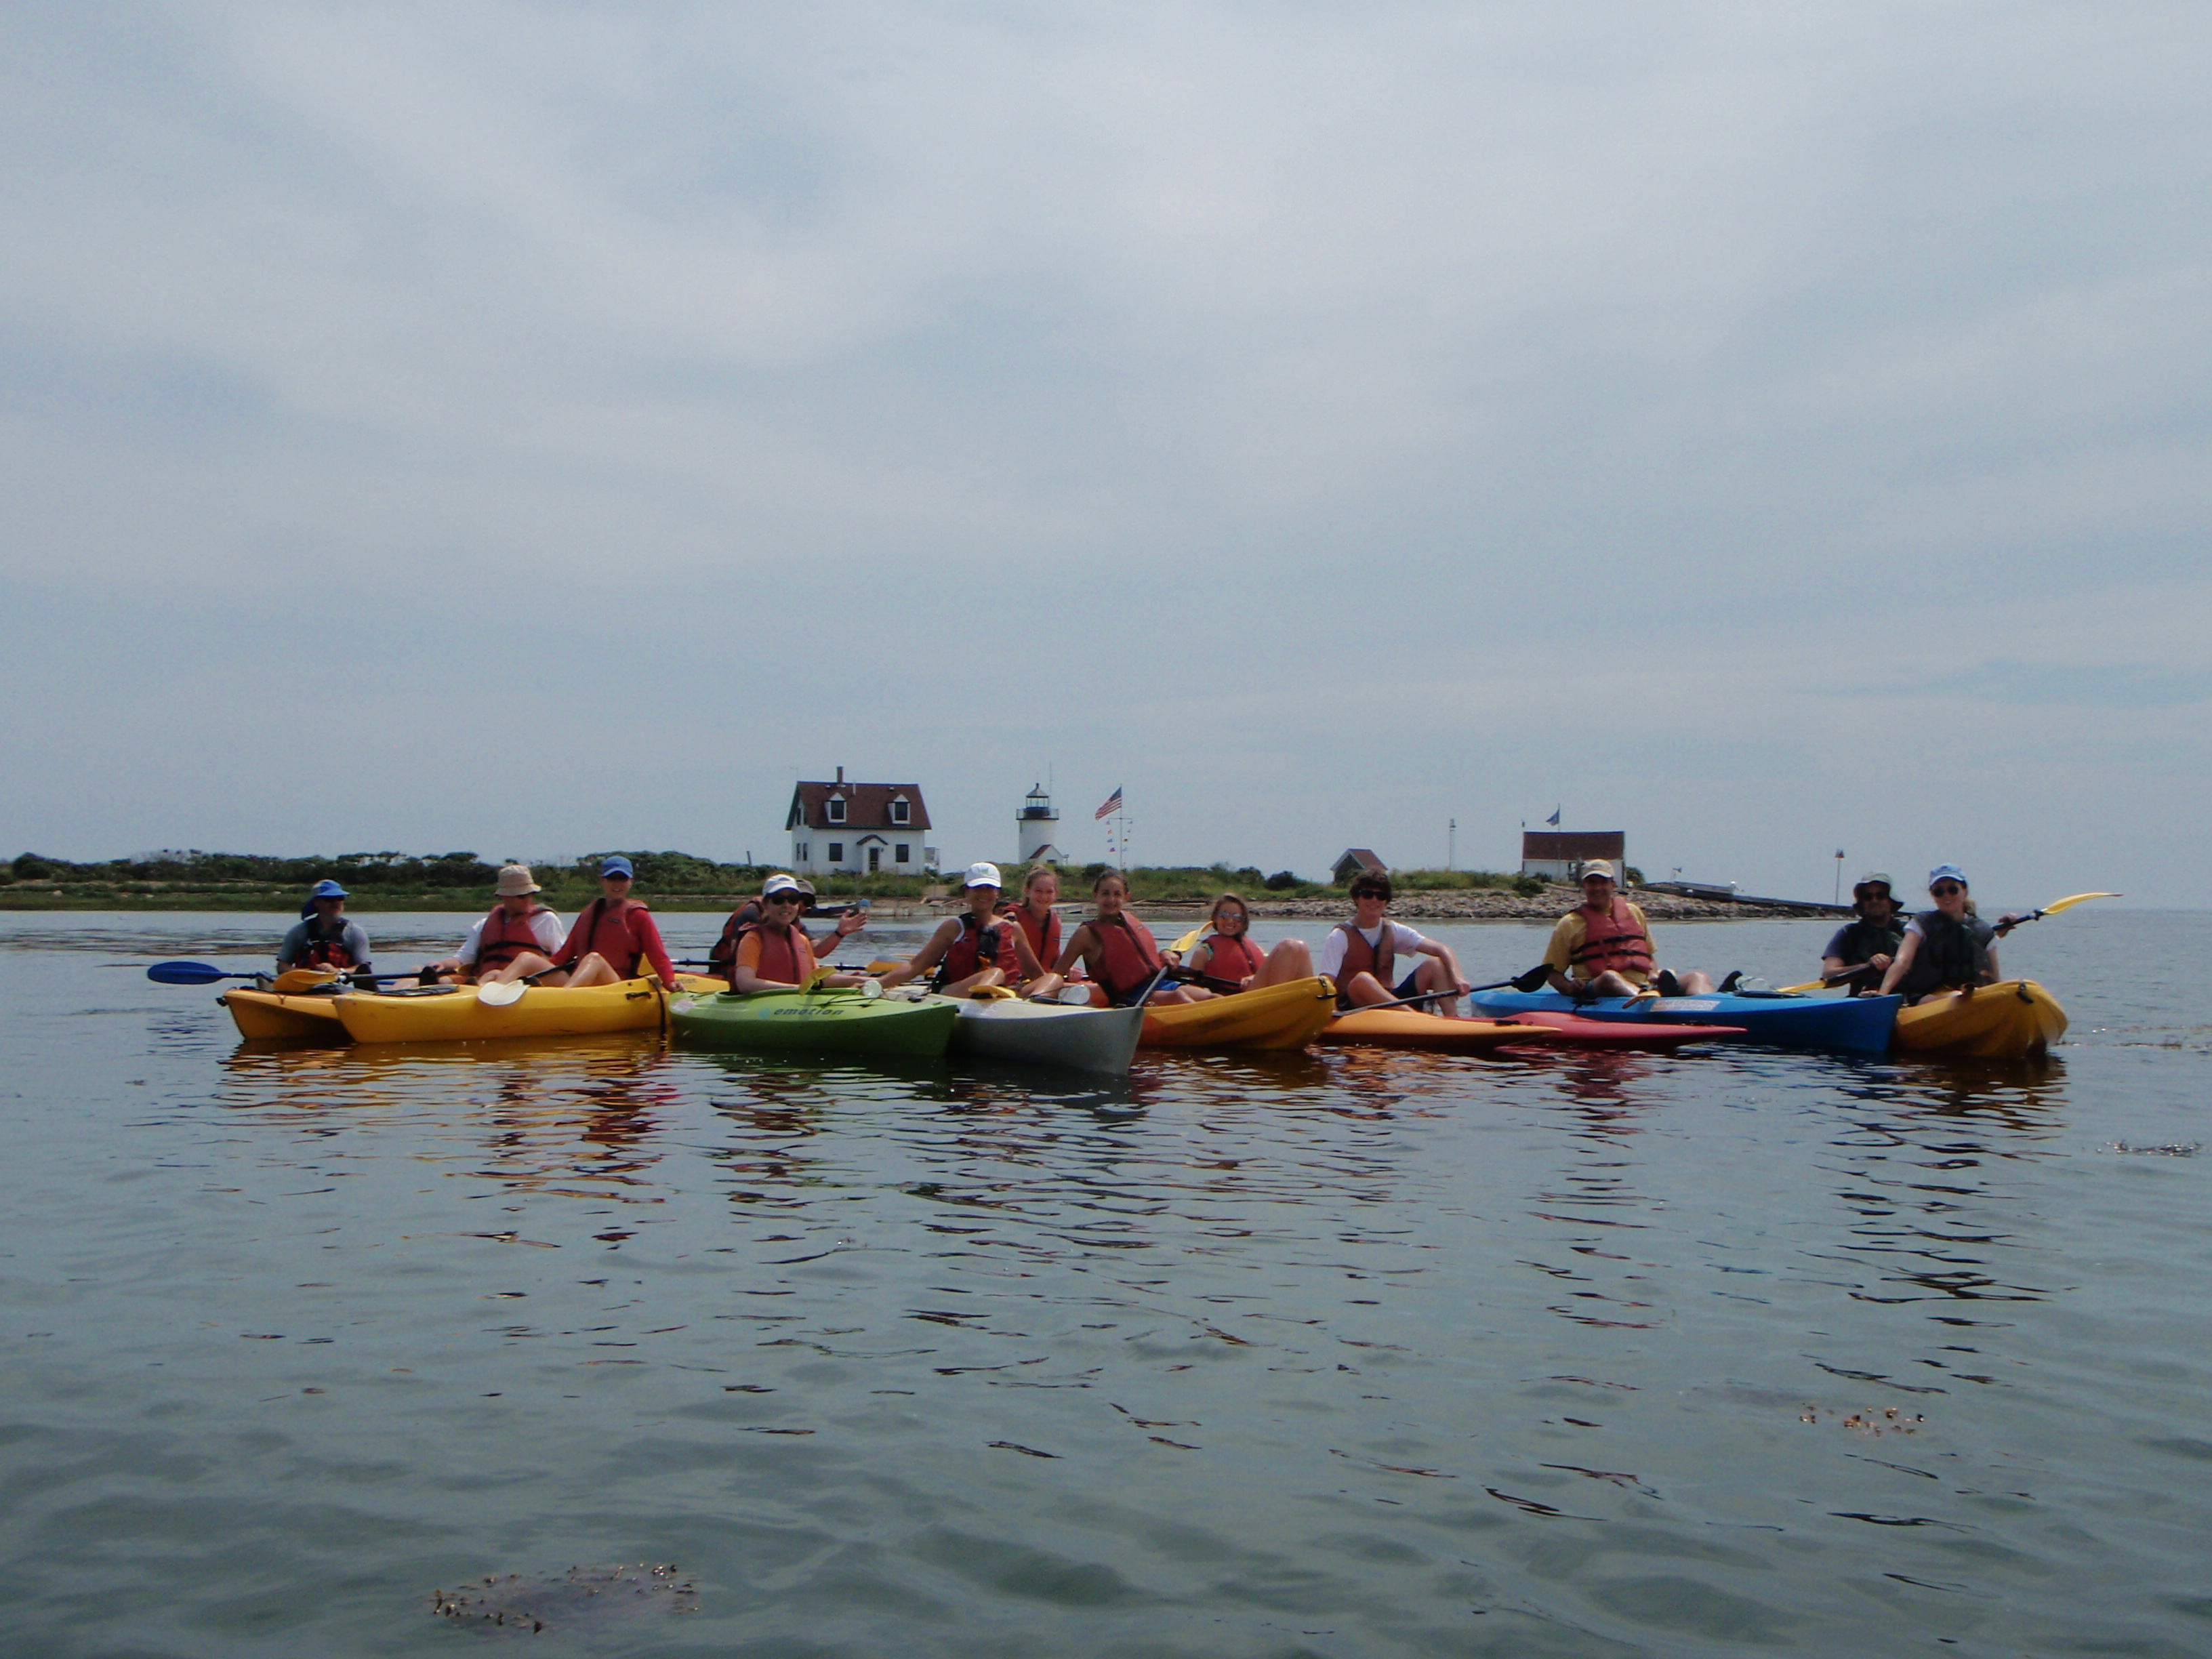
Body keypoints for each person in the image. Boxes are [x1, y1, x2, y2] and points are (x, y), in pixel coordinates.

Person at [497, 856, 682, 989]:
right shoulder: (589, 914)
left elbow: (658, 955)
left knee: (594, 959)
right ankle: (487, 994)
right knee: (526, 958)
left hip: (616, 985)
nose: (617, 884)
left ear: (631, 881)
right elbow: (563, 956)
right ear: (603, 880)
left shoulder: (638, 916)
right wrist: (542, 972)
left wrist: (669, 981)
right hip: (580, 982)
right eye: (612, 878)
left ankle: (564, 1000)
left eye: (622, 878)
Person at [1541, 861, 1715, 998]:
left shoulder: (1633, 912)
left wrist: (1653, 973)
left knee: (1697, 976)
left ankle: (1710, 1007)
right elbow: (1553, 974)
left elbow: (1649, 958)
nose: (1597, 888)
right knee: (1611, 977)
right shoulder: (1570, 923)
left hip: (1645, 984)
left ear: (1613, 885)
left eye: (1603, 882)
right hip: (1599, 988)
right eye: (1592, 883)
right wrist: (1570, 988)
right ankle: (1648, 1000)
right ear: (1584, 886)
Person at [1318, 869, 1473, 1015]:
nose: (1374, 900)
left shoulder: (1393, 930)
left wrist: (1457, 977)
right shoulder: (1339, 936)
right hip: (1356, 1009)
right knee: (1362, 979)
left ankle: (1452, 1019)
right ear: (1357, 899)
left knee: (1435, 964)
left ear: (1386, 901)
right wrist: (1333, 1015)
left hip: (1392, 1002)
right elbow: (1326, 984)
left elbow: (1441, 949)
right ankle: (1417, 1019)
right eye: (1367, 894)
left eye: (1381, 896)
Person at [880, 863, 1047, 996]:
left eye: (989, 888)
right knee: (995, 973)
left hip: (1006, 995)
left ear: (998, 893)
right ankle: (983, 996)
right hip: (955, 993)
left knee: (1053, 979)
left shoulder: (1013, 929)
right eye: (977, 888)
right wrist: (878, 984)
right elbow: (914, 966)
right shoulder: (953, 927)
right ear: (966, 891)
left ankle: (1037, 1007)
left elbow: (1037, 974)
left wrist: (1063, 983)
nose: (984, 894)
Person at [1054, 868, 1192, 1006]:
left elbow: (1143, 959)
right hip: (1131, 998)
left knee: (1208, 996)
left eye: (1117, 894)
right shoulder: (1086, 934)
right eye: (1105, 894)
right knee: (1180, 997)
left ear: (1126, 897)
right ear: (1095, 895)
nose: (1111, 900)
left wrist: (1165, 952)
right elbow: (1057, 973)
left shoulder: (1129, 921)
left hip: (1158, 983)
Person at [1879, 865, 2013, 1004]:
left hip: (1973, 995)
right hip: (1927, 998)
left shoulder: (1983, 931)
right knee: (1959, 996)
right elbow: (1902, 962)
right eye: (1939, 892)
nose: (1946, 895)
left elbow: (1995, 979)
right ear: (1933, 896)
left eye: (1953, 889)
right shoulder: (1921, 924)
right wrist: (1882, 994)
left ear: (1965, 891)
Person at [422, 865, 564, 985]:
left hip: (527, 981)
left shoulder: (546, 920)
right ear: (504, 896)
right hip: (487, 978)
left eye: (531, 893)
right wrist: (443, 964)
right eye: (521, 895)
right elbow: (462, 959)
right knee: (420, 972)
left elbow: (561, 959)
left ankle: (482, 994)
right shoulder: (483, 925)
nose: (528, 899)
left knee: (494, 974)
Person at [729, 874, 871, 992]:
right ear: (765, 904)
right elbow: (745, 983)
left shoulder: (801, 939)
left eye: (792, 900)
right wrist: (796, 989)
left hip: (797, 1002)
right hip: (766, 1004)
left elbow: (816, 977)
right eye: (778, 900)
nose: (786, 905)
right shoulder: (753, 939)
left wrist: (859, 980)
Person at [1182, 892, 1313, 994]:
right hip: (1237, 1002)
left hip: (1259, 994)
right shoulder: (1205, 951)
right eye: (1224, 915)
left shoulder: (1255, 947)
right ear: (1215, 919)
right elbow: (1193, 989)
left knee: (1300, 947)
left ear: (1244, 921)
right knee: (1289, 946)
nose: (1230, 921)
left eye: (1237, 917)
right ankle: (1279, 1003)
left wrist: (1254, 977)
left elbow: (1268, 970)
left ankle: (1315, 1005)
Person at [1820, 872, 1905, 994]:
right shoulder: (1849, 933)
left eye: (1880, 895)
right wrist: (1867, 966)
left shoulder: (1909, 931)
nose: (1874, 900)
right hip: (1863, 999)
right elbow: (1828, 975)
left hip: (1906, 1000)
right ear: (1862, 903)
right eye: (1868, 897)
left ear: (1890, 900)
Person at [276, 879, 371, 977]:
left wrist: (338, 971)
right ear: (317, 903)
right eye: (329, 899)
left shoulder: (355, 932)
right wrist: (305, 974)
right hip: (306, 985)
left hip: (343, 986)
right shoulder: (299, 931)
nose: (336, 903)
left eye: (340, 898)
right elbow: (282, 966)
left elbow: (362, 967)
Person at [1007, 865, 1066, 995]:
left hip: (1044, 981)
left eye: (1049, 892)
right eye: (1038, 891)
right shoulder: (1012, 918)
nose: (1043, 896)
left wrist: (1070, 969)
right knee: (1055, 981)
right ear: (1028, 892)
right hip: (1017, 985)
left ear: (1056, 894)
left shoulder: (1056, 922)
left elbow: (1054, 957)